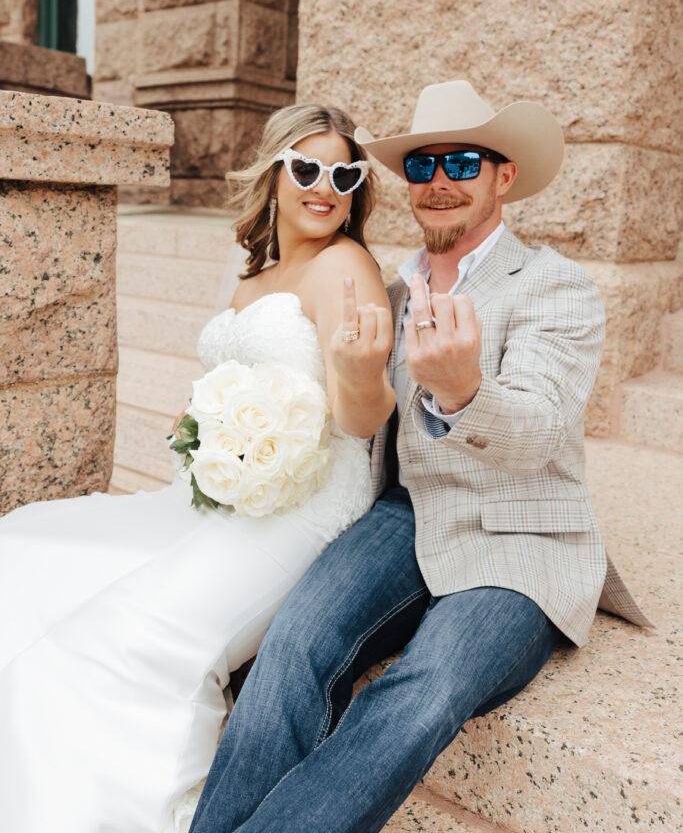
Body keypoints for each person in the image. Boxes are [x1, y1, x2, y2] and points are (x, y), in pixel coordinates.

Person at [188, 80, 652, 833]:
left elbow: (535, 433)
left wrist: (464, 390)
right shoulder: (390, 289)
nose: (441, 180)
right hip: (399, 517)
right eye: (424, 164)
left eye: (464, 162)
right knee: (294, 645)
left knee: (425, 686)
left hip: (517, 538)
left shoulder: (555, 286)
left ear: (503, 176)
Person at [0, 104, 396, 833]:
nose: (325, 188)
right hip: (212, 492)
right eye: (307, 169)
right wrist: (204, 430)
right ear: (275, 174)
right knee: (23, 547)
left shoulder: (347, 266)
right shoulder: (258, 272)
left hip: (304, 501)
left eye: (344, 175)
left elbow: (359, 419)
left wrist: (362, 373)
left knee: (131, 637)